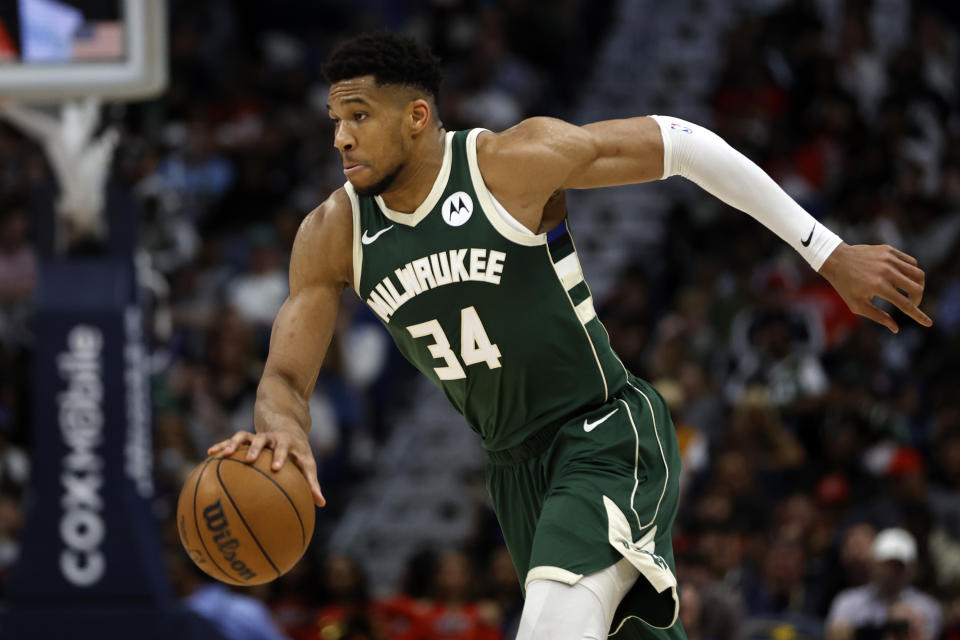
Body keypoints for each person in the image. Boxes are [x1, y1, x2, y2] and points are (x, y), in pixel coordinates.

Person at [209, 32, 932, 640]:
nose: (340, 136)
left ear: (417, 118)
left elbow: (681, 143)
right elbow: (283, 379)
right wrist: (281, 428)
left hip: (605, 434)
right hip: (516, 473)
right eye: (335, 119)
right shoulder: (332, 233)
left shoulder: (509, 164)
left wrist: (827, 252)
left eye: (359, 116)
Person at [825, 528, 942, 640]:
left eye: (899, 566)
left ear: (912, 569)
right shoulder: (848, 602)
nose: (892, 572)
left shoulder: (926, 608)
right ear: (873, 563)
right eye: (887, 564)